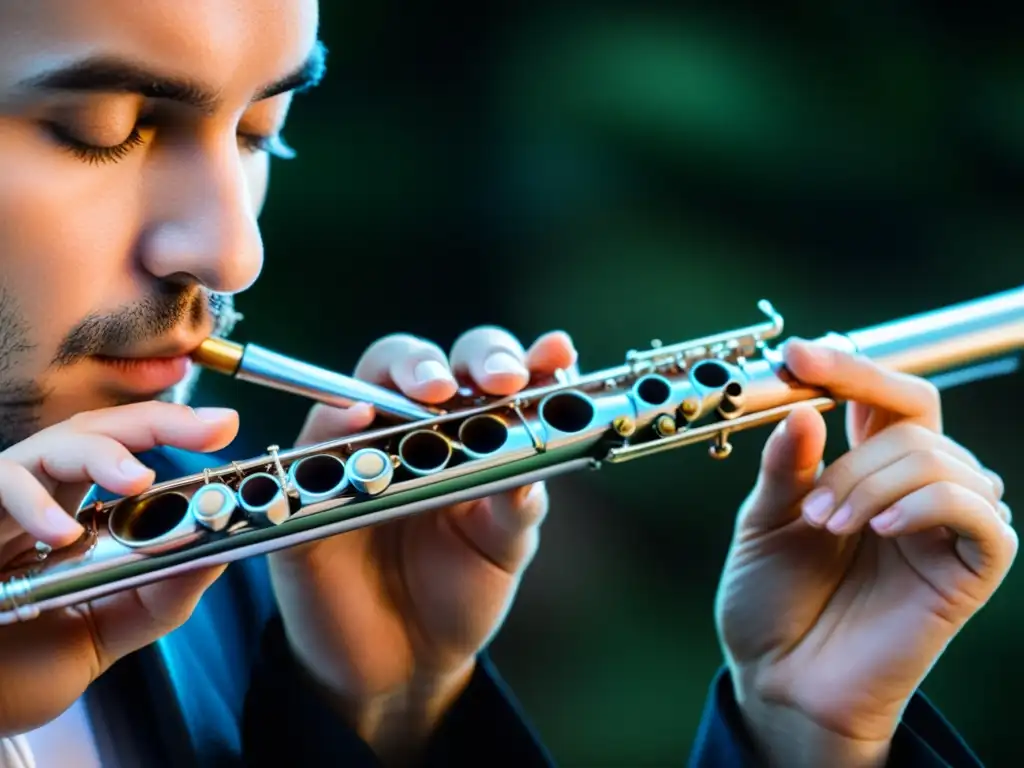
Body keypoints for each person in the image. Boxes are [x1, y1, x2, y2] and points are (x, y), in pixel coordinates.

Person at [0, 1, 1014, 766]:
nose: (232, 253)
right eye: (105, 125)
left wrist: (380, 714)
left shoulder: (186, 560)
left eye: (262, 132)